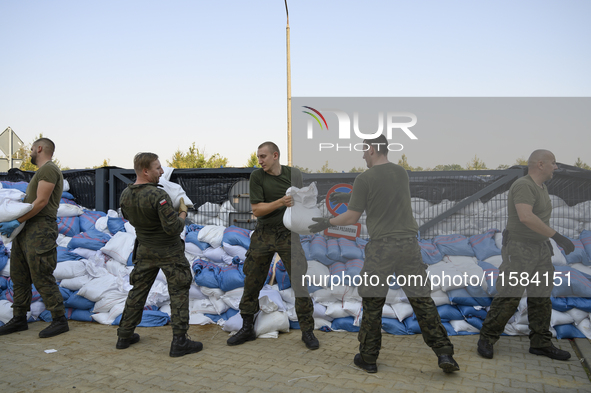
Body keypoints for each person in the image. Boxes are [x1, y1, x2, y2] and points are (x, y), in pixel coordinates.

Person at [308, 134, 458, 373]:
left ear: (373, 149)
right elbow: (384, 196)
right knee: (421, 300)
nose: (362, 155)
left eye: (364, 150)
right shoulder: (401, 173)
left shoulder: (364, 178)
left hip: (382, 249)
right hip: (409, 246)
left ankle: (368, 358)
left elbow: (351, 217)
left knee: (373, 302)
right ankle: (444, 353)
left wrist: (326, 222)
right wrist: (350, 196)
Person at [477, 149, 574, 361]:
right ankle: (486, 338)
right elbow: (525, 216)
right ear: (540, 164)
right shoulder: (523, 185)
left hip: (540, 249)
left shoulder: (542, 187)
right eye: (553, 163)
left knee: (541, 298)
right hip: (520, 249)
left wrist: (550, 240)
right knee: (509, 295)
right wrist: (558, 237)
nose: (556, 167)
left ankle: (541, 343)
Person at [227, 142, 318, 349]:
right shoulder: (257, 177)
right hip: (264, 234)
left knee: (299, 283)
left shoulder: (294, 174)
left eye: (263, 157)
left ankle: (308, 332)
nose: (260, 161)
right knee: (252, 281)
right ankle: (247, 328)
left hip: (288, 234)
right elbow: (257, 210)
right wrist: (281, 202)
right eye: (258, 157)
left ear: (275, 155)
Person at [116, 152, 202, 357]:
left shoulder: (126, 194)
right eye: (157, 168)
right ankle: (180, 341)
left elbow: (128, 218)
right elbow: (173, 228)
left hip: (144, 249)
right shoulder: (158, 195)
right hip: (169, 251)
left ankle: (124, 335)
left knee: (138, 291)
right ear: (145, 171)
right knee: (179, 291)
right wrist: (182, 212)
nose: (162, 172)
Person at [0, 138, 69, 338]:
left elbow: (41, 202)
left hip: (40, 230)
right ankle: (19, 318)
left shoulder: (48, 169)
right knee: (19, 275)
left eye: (31, 149)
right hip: (26, 229)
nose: (30, 152)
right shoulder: (40, 172)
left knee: (41, 275)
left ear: (39, 148)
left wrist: (15, 221)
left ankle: (59, 320)